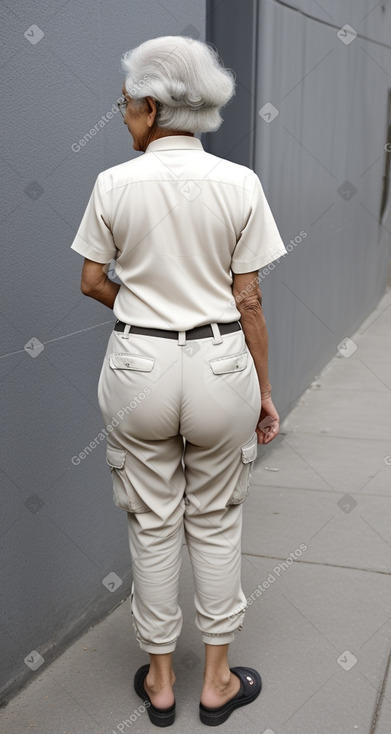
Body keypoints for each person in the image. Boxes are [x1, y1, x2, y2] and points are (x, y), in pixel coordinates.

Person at [70, 35, 287, 727]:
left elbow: (91, 281)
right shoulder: (239, 183)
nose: (123, 114)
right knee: (217, 521)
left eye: (127, 104)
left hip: (139, 369)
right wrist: (263, 390)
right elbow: (247, 299)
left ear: (154, 104)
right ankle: (216, 680)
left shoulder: (112, 184)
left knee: (152, 521)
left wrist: (141, 310)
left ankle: (160, 682)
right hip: (221, 364)